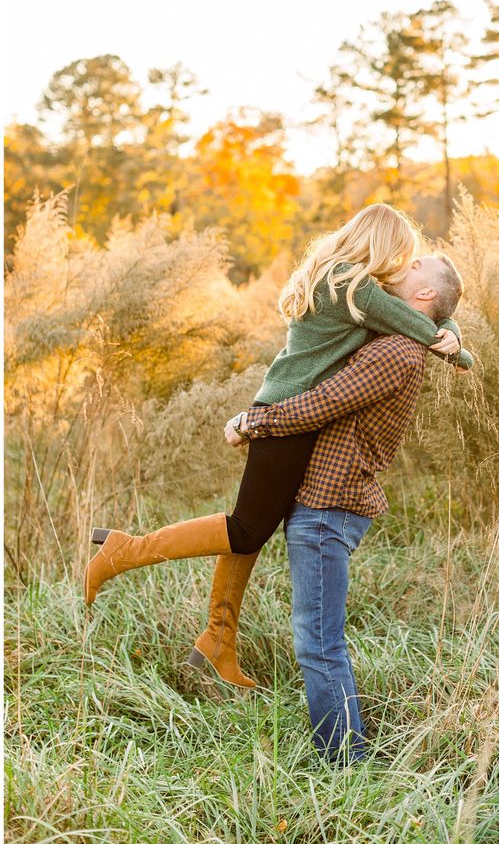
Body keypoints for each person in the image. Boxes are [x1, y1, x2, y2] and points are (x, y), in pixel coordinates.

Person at [83, 205, 473, 689]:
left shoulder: (348, 282)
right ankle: (126, 551)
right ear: (382, 246)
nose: (404, 264)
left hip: (290, 410)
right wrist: (458, 347)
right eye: (404, 255)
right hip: (287, 414)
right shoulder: (352, 284)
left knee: (251, 525)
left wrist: (451, 332)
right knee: (246, 529)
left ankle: (218, 642)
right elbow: (421, 324)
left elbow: (427, 319)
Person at [224, 252, 469, 764]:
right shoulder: (396, 336)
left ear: (424, 294)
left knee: (318, 643)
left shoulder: (396, 353)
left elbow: (321, 403)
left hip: (328, 507)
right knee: (319, 638)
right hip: (325, 503)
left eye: (419, 263)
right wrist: (451, 330)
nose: (410, 259)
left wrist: (252, 423)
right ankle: (346, 751)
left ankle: (345, 764)